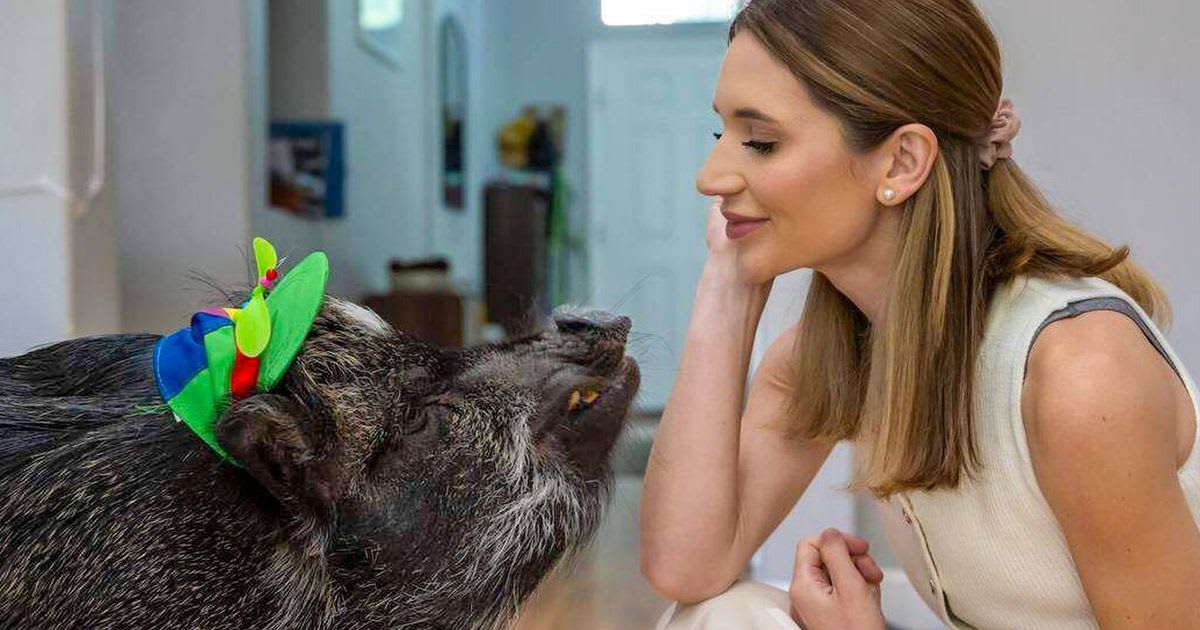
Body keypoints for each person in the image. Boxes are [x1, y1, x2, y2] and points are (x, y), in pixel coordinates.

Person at [638, 0, 1200, 628]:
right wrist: (729, 289)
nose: (710, 177)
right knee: (721, 616)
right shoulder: (832, 356)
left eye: (761, 142)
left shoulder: (1079, 373)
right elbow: (686, 566)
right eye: (723, 136)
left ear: (903, 163)